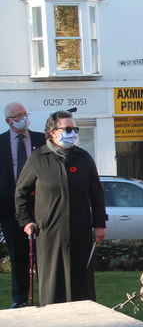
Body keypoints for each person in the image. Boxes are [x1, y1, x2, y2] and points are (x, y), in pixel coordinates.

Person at [15, 110, 106, 306]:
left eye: (75, 129)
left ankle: (84, 319)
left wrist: (100, 224)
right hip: (49, 233)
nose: (72, 133)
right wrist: (26, 221)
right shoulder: (38, 159)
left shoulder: (83, 158)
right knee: (52, 283)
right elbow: (21, 193)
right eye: (67, 129)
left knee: (81, 282)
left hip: (80, 231)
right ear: (52, 132)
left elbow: (96, 194)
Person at [1, 103, 44, 308]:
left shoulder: (41, 140)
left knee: (43, 255)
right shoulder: (1, 143)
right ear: (8, 121)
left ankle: (47, 296)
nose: (23, 118)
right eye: (18, 116)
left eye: (25, 114)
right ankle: (19, 300)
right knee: (18, 256)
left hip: (41, 208)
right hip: (10, 211)